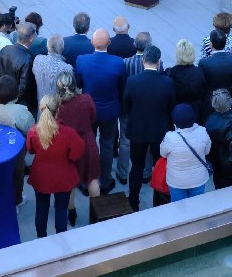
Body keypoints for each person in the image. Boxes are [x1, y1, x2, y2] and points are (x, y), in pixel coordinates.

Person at [121, 45, 175, 211]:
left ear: (143, 60)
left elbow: (125, 107)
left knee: (136, 167)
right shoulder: (167, 82)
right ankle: (158, 203)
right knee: (160, 167)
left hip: (138, 130)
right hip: (159, 132)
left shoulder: (132, 81)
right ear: (159, 62)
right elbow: (171, 107)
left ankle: (133, 202)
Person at [74, 29, 125, 194]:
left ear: (91, 42)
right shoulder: (118, 62)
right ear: (109, 43)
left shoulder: (82, 60)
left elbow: (78, 84)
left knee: (87, 145)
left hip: (88, 111)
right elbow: (121, 86)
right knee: (107, 146)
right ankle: (105, 180)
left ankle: (86, 180)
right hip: (109, 111)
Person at [27, 96, 84, 238]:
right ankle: (61, 240)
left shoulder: (34, 131)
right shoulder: (68, 132)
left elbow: (31, 149)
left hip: (41, 176)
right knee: (61, 209)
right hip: (63, 176)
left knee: (41, 208)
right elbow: (77, 153)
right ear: (58, 110)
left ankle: (41, 238)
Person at [52, 71, 100, 225]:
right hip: (88, 142)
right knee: (92, 178)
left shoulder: (57, 106)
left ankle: (72, 214)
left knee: (70, 183)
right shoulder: (87, 99)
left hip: (68, 146)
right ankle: (96, 215)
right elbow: (93, 118)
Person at [159, 102, 212, 204]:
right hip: (199, 179)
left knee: (179, 208)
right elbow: (207, 151)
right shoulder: (202, 131)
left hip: (177, 181)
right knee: (197, 205)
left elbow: (163, 154)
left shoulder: (170, 137)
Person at [0, 22, 38, 116]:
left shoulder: (5, 49)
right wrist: (12, 100)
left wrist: (1, 91)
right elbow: (23, 86)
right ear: (31, 39)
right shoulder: (28, 59)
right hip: (17, 103)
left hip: (1, 97)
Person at [32, 34, 74, 105]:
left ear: (47, 47)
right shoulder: (67, 68)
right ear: (62, 48)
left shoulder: (38, 60)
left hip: (41, 106)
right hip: (57, 108)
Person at [199, 31, 232, 101]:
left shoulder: (204, 63)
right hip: (228, 96)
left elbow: (202, 83)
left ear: (211, 44)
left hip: (210, 98)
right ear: (225, 44)